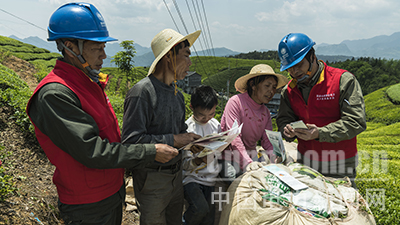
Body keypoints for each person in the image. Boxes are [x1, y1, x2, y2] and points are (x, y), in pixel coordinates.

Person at [25, 3, 178, 224]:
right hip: (88, 205)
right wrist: (149, 151)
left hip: (110, 193)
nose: (104, 55)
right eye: (97, 48)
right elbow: (92, 151)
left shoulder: (88, 83)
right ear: (70, 47)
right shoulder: (55, 94)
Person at [121, 28, 202, 225]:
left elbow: (179, 131)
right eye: (186, 55)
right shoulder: (142, 92)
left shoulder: (178, 95)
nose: (190, 63)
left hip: (175, 176)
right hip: (152, 179)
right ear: (168, 57)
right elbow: (130, 143)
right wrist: (174, 140)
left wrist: (192, 143)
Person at [276, 33, 366, 187]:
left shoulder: (342, 81)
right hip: (307, 161)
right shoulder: (289, 91)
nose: (295, 71)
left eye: (299, 65)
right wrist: (287, 130)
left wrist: (320, 133)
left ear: (312, 56)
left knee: (343, 206)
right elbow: (284, 119)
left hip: (340, 162)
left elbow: (356, 121)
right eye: (290, 68)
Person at [220, 64, 288, 180]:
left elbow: (267, 141)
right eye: (267, 86)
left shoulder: (265, 113)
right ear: (253, 85)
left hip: (251, 158)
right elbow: (234, 138)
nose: (271, 91)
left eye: (274, 87)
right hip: (229, 157)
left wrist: (276, 157)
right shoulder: (236, 103)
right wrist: (248, 163)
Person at [182, 85, 221, 225]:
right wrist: (198, 161)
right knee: (200, 208)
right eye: (201, 115)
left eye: (211, 114)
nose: (206, 119)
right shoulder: (187, 128)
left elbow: (219, 150)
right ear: (192, 107)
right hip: (192, 179)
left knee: (208, 220)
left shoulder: (215, 125)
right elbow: (184, 164)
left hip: (210, 179)